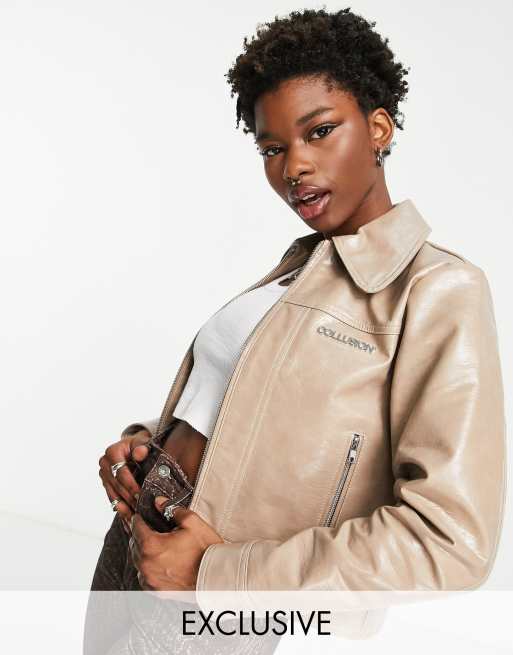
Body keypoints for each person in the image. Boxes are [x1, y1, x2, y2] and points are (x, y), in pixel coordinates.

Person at [83, 7, 506, 653]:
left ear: (378, 127)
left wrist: (217, 573)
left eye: (320, 131)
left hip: (216, 597)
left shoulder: (436, 290)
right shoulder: (300, 269)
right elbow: (254, 423)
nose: (294, 167)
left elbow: (450, 541)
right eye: (272, 148)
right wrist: (146, 445)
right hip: (140, 538)